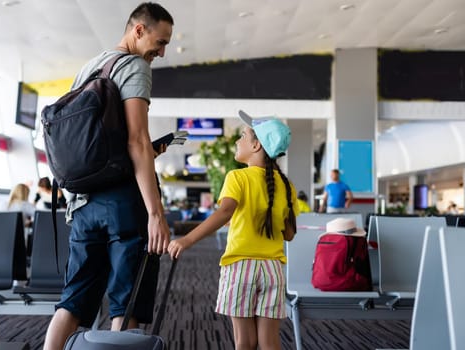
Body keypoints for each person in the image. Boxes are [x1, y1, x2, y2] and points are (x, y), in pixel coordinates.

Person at [43, 3, 173, 350]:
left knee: (72, 301)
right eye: (159, 43)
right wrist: (156, 214)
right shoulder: (136, 67)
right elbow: (136, 139)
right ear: (139, 30)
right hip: (123, 202)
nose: (160, 53)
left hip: (83, 202)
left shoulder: (91, 66)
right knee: (125, 300)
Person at [168, 110, 299, 350]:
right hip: (273, 269)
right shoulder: (287, 185)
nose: (238, 141)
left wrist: (185, 240)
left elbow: (224, 212)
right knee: (270, 342)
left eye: (243, 135)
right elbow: (289, 234)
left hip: (241, 267)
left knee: (244, 342)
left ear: (256, 145)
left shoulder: (237, 177)